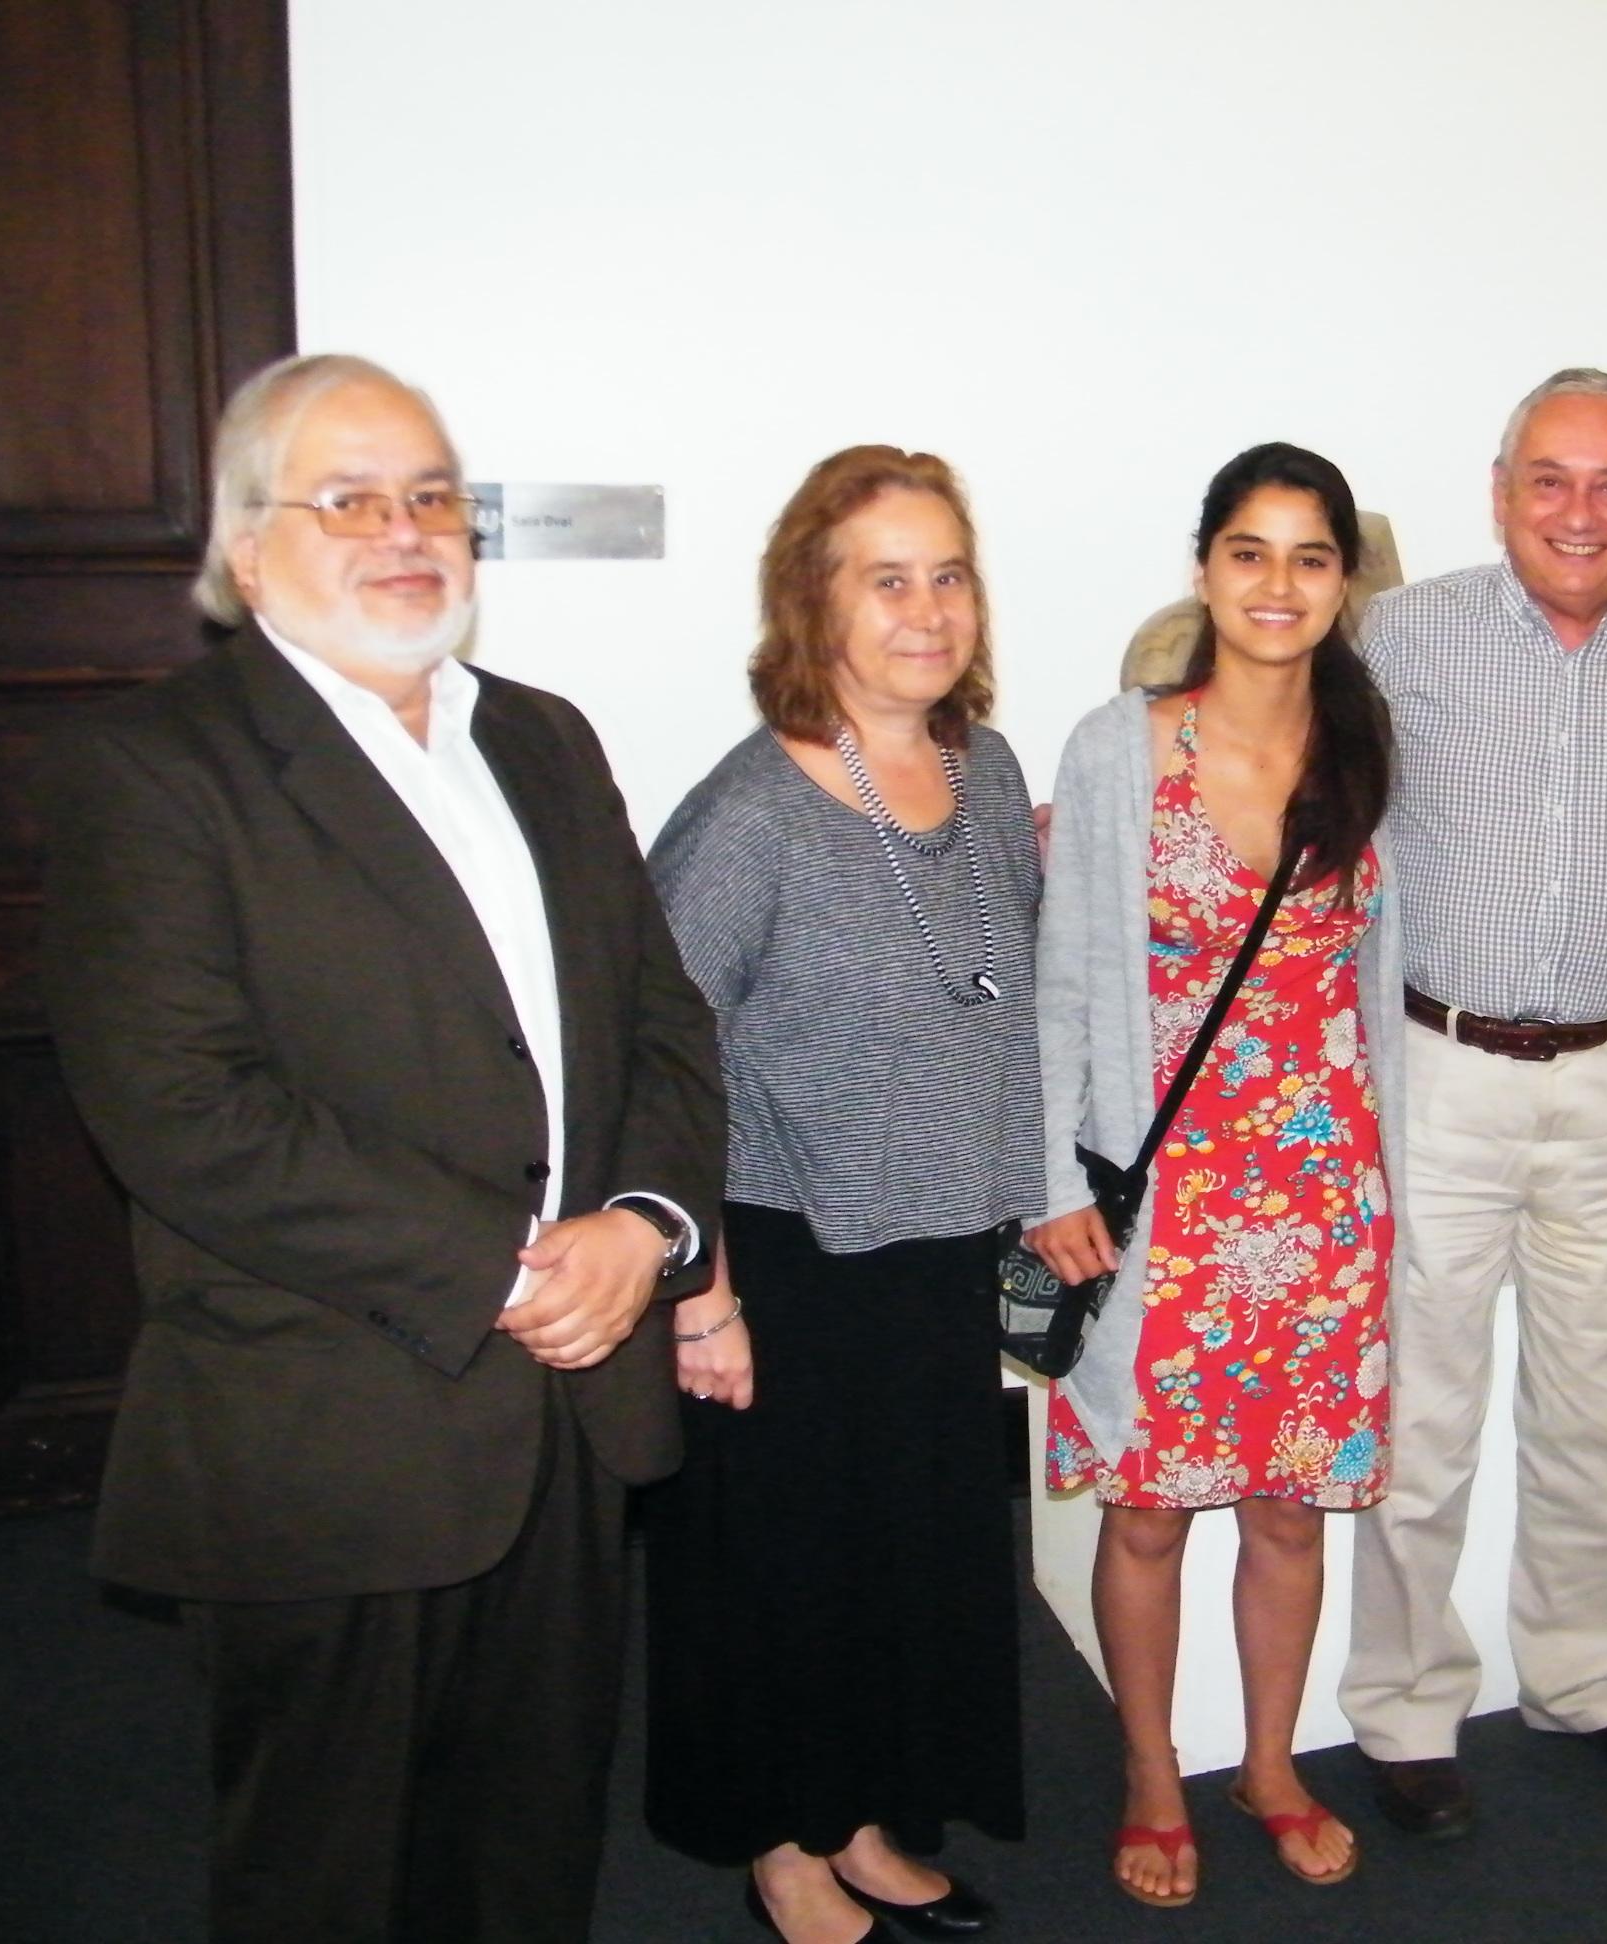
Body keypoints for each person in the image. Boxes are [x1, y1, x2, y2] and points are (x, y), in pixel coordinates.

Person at [40, 353, 725, 1942]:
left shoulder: (544, 740)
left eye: (431, 496)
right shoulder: (154, 771)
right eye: (348, 499)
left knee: (533, 1838)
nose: (403, 531)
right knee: (325, 1869)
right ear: (248, 542)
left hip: (570, 1412)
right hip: (331, 1424)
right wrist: (500, 1271)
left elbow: (663, 1024)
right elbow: (182, 1110)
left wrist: (642, 1225)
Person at [1339, 368, 1607, 1834]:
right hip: (1437, 1075)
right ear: (1503, 488)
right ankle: (1404, 1707)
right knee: (1422, 1413)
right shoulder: (1404, 638)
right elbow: (1339, 837)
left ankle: (1583, 1674)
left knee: (1604, 1406)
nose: (1580, 513)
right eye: (1551, 479)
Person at [643, 448, 1043, 1944]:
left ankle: (865, 1815)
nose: (926, 609)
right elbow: (659, 1055)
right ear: (815, 602)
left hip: (935, 1254)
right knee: (787, 1575)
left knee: (908, 1562)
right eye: (888, 578)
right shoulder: (752, 815)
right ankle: (784, 1848)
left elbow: (999, 981)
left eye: (948, 574)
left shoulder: (984, 773)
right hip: (785, 1262)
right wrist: (704, 1299)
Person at [1030, 442, 1403, 1908]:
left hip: (1320, 1198)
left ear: (1342, 585)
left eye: (1312, 557)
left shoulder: (1373, 755)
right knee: (1143, 1507)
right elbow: (1066, 983)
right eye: (1250, 551)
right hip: (1158, 1200)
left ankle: (1264, 1762)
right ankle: (1145, 1771)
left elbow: (1377, 975)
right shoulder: (1120, 749)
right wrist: (1052, 1176)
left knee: (1289, 1509)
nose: (1279, 584)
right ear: (1204, 570)